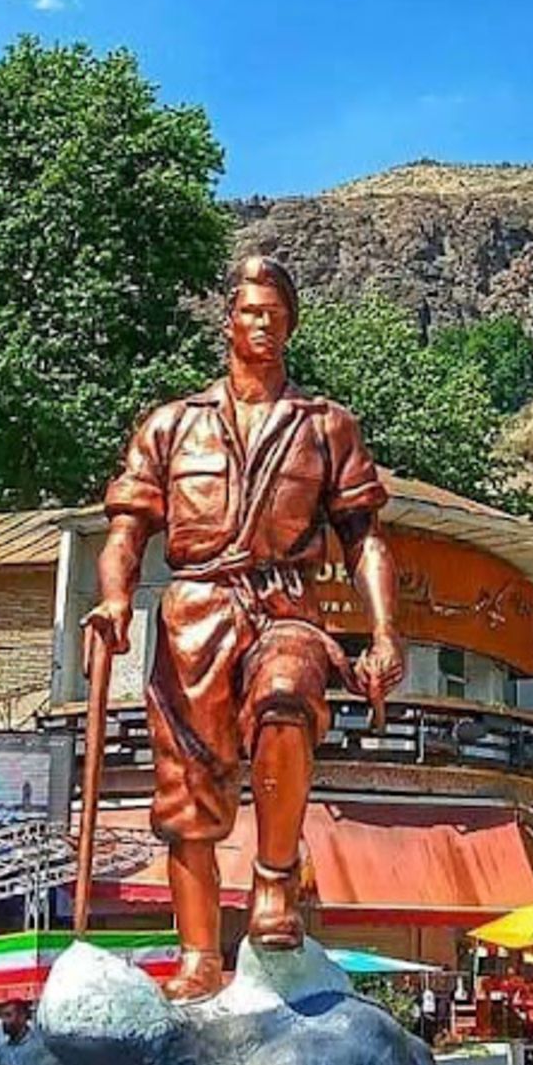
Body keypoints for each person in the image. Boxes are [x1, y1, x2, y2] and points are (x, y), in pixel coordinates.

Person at [83, 257, 407, 1001]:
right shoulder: (172, 425)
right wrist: (112, 598)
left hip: (286, 605)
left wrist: (384, 633)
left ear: (291, 325)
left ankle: (272, 883)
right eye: (251, 310)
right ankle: (198, 955)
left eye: (277, 313)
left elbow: (364, 538)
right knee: (187, 793)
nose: (263, 323)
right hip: (194, 614)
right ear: (228, 320)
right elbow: (127, 529)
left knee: (288, 697)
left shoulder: (324, 426)